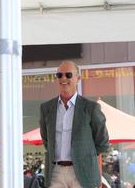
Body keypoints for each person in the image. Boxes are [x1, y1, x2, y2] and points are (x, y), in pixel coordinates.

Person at [39, 60, 109, 188]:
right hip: (56, 173)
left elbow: (102, 143)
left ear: (78, 78)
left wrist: (92, 167)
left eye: (68, 75)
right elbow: (46, 141)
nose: (63, 78)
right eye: (59, 75)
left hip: (84, 174)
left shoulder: (90, 108)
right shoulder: (46, 108)